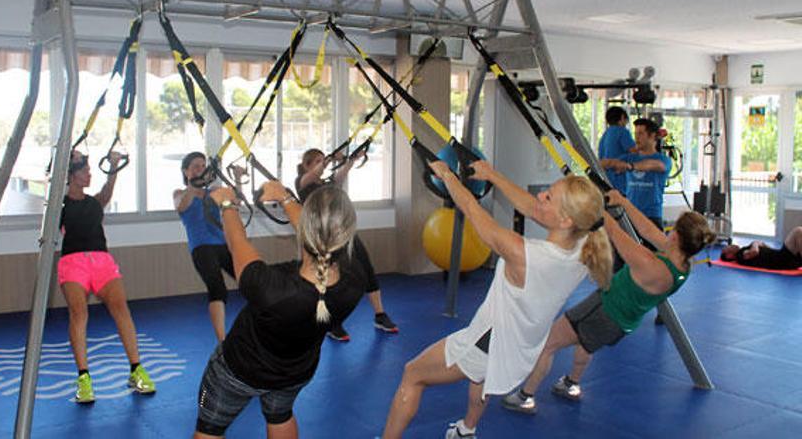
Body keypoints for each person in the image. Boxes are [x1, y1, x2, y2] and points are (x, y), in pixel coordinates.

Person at [381, 160, 612, 439]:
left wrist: (446, 176)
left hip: (487, 343)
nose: (540, 196)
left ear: (565, 220)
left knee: (413, 374)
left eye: (548, 197)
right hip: (519, 344)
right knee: (482, 376)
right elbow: (530, 206)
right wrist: (491, 175)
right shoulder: (584, 248)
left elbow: (470, 209)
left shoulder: (524, 253)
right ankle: (467, 430)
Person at [502, 190, 715, 415]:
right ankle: (571, 383)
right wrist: (622, 202)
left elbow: (613, 231)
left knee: (548, 344)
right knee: (586, 342)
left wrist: (595, 205)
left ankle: (525, 397)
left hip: (603, 309)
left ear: (676, 237)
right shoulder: (682, 263)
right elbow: (646, 230)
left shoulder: (650, 264)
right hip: (623, 323)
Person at [194, 181, 367, 439]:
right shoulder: (355, 279)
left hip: (237, 371)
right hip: (295, 374)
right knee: (280, 414)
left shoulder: (269, 288)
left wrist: (228, 205)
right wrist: (285, 198)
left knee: (209, 428)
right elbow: (320, 235)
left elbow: (236, 242)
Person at [59, 150, 155, 404]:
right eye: (85, 170)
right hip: (72, 262)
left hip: (101, 260)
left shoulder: (93, 202)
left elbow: (106, 194)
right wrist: (68, 157)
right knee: (79, 313)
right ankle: (83, 378)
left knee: (121, 309)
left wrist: (113, 167)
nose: (89, 174)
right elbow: (53, 192)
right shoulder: (59, 204)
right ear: (71, 175)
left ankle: (136, 369)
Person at [295, 148, 398, 341]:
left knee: (367, 268)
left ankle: (380, 315)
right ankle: (331, 322)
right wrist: (327, 160)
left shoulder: (328, 183)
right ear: (307, 165)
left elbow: (342, 174)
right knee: (327, 277)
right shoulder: (302, 182)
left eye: (321, 160)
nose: (321, 164)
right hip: (320, 236)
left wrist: (352, 159)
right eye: (316, 161)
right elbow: (314, 174)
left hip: (343, 232)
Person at [174, 151, 236, 342]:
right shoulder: (180, 193)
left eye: (203, 166)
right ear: (186, 171)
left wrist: (239, 179)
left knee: (250, 279)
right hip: (201, 248)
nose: (200, 169)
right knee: (218, 289)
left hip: (222, 244)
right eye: (195, 167)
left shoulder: (214, 193)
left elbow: (235, 204)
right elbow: (181, 207)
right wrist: (195, 184)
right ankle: (222, 341)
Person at [600, 118, 672, 234]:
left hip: (651, 216)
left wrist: (630, 166)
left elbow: (655, 166)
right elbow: (607, 163)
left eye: (640, 134)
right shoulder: (630, 157)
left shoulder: (663, 159)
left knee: (654, 252)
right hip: (630, 215)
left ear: (652, 136)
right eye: (635, 134)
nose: (636, 138)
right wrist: (608, 163)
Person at [720, 226, 802, 270]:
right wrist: (755, 243)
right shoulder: (740, 255)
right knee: (798, 231)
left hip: (782, 257)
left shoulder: (744, 250)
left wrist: (756, 243)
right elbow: (754, 252)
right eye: (728, 247)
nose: (731, 245)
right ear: (729, 256)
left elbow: (762, 244)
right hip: (782, 260)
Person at [598, 106, 636, 194]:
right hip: (619, 179)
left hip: (606, 180)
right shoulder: (622, 132)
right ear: (622, 117)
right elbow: (635, 152)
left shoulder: (605, 134)